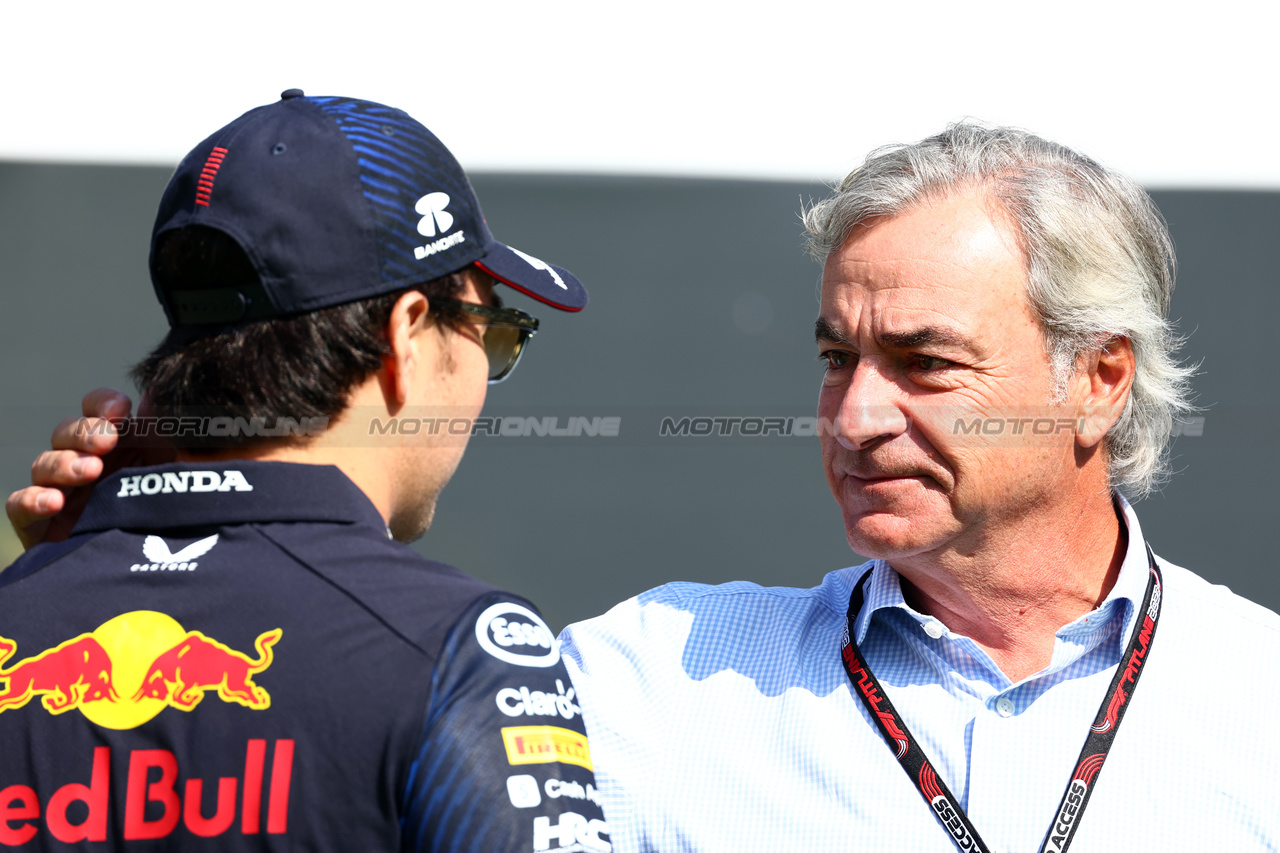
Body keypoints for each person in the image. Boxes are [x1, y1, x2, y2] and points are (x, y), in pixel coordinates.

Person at [555, 125, 1280, 851]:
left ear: (1099, 381)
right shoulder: (659, 683)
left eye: (926, 362)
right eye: (838, 357)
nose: (853, 417)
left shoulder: (1257, 700)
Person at [0, 90, 610, 852]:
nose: (485, 376)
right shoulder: (462, 649)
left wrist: (54, 584)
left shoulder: (24, 611)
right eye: (492, 335)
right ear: (409, 334)